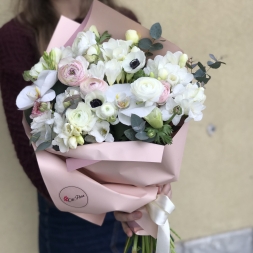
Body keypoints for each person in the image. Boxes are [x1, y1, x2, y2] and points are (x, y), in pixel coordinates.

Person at [0, 0, 142, 252]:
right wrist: (104, 197)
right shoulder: (16, 37)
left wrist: (148, 187)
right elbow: (27, 145)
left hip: (135, 208)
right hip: (70, 209)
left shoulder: (121, 21)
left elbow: (147, 116)